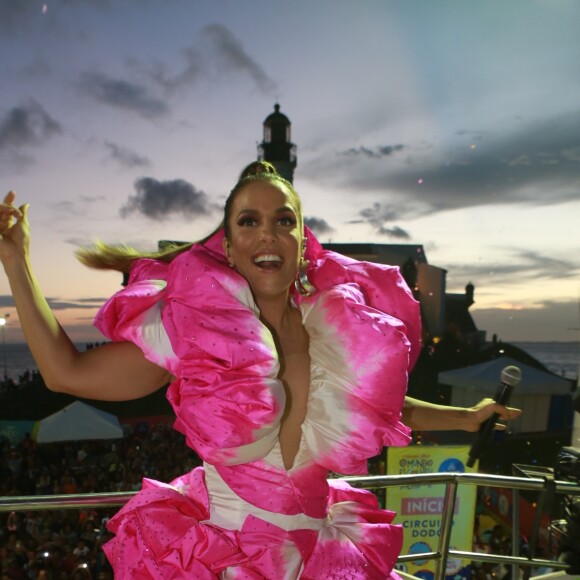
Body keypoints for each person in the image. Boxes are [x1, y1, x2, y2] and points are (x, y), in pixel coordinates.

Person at [0, 162, 520, 579]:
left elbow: (384, 408)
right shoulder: (198, 335)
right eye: (249, 221)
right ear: (227, 245)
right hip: (228, 563)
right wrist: (17, 259)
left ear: (301, 240)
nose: (267, 234)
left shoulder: (333, 331)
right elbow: (65, 373)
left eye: (283, 220)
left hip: (322, 557)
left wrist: (467, 417)